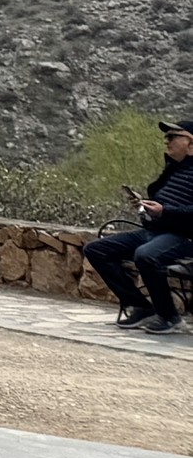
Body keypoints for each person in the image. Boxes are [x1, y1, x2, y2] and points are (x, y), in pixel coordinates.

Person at [86, 120, 193, 331]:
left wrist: (164, 211)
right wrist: (144, 206)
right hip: (155, 231)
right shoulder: (173, 169)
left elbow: (176, 210)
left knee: (145, 255)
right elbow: (161, 206)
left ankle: (169, 316)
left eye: (172, 137)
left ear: (190, 141)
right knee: (96, 250)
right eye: (166, 137)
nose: (167, 141)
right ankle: (141, 307)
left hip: (182, 237)